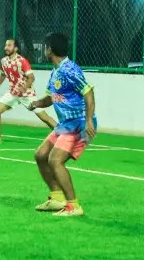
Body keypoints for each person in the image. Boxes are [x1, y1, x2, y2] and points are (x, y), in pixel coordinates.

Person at [22, 33, 98, 217]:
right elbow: (50, 98)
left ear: (50, 50)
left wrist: (89, 120)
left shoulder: (69, 70)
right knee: (41, 155)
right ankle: (57, 198)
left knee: (55, 160)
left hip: (79, 123)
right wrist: (35, 104)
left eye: (45, 47)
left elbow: (88, 92)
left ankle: (74, 206)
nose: (44, 50)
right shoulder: (56, 71)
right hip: (66, 124)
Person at [0, 37, 54, 143]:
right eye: (6, 45)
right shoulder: (4, 61)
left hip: (27, 94)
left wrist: (24, 88)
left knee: (44, 118)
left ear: (16, 48)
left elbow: (31, 78)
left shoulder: (22, 61)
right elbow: (2, 76)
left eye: (9, 45)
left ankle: (65, 135)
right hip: (12, 92)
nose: (6, 47)